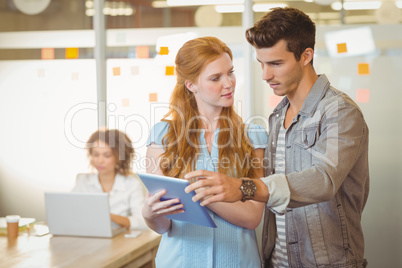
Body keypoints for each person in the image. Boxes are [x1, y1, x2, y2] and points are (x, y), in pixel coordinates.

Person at [185, 7, 369, 268]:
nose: (265, 75)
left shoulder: (340, 112)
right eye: (261, 63)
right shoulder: (277, 115)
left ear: (306, 56)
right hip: (278, 261)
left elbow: (324, 180)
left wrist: (243, 187)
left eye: (276, 63)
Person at [141, 36, 268, 267]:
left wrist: (201, 194)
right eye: (216, 78)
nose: (229, 83)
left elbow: (252, 217)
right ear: (191, 85)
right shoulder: (163, 136)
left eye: (230, 72)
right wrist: (150, 214)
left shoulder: (253, 136)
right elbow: (164, 225)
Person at [72, 128, 147, 230]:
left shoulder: (132, 184)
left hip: (120, 240)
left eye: (107, 155)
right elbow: (70, 212)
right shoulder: (83, 181)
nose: (100, 160)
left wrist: (109, 216)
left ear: (119, 158)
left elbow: (143, 222)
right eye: (96, 154)